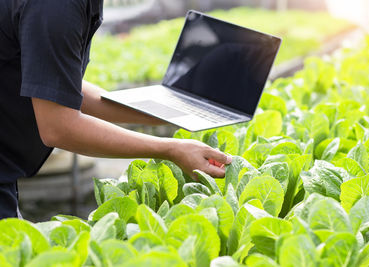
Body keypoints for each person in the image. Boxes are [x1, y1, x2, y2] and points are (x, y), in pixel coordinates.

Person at [0, 0, 232, 219]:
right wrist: (170, 149)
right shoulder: (58, 7)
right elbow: (58, 126)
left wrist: (174, 111)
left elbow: (54, 85)